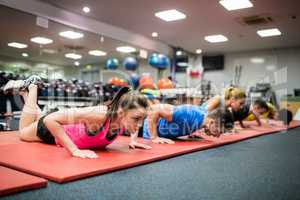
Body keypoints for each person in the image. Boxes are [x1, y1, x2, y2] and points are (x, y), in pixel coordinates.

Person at [3, 76, 151, 159]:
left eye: (142, 119)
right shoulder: (100, 114)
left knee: (40, 116)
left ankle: (24, 93)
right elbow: (50, 120)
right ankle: (32, 86)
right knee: (23, 133)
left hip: (62, 125)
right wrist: (74, 150)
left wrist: (133, 140)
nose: (139, 124)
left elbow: (134, 122)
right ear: (121, 112)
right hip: (52, 130)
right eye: (137, 119)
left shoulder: (124, 119)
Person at [141, 103, 224, 144]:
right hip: (143, 125)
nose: (218, 136)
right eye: (219, 131)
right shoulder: (188, 114)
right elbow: (154, 111)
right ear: (212, 122)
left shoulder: (203, 118)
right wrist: (154, 137)